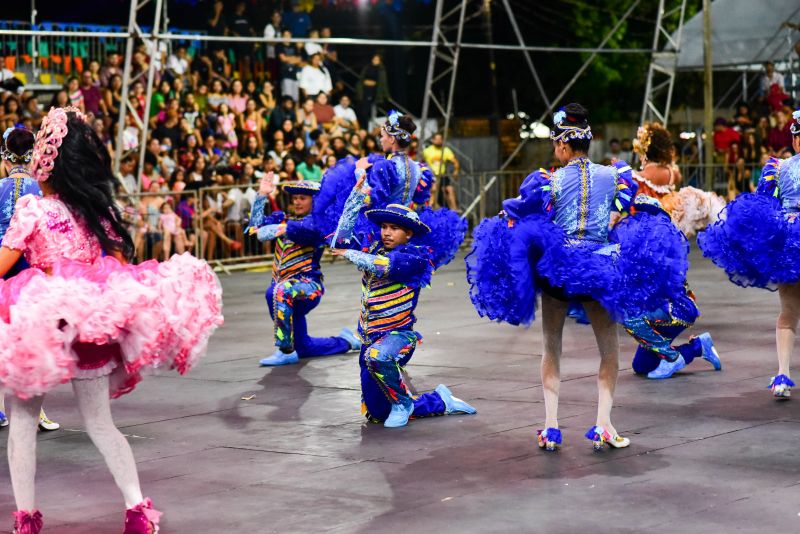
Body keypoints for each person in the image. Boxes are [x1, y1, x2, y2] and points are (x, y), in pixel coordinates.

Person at [0, 107, 222, 533]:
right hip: (87, 321)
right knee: (99, 423)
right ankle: (137, 510)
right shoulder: (94, 212)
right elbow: (118, 264)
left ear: (45, 163)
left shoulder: (31, 209)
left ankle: (26, 520)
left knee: (24, 423)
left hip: (37, 320)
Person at [466, 104, 688, 451]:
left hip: (559, 268)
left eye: (557, 143)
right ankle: (603, 424)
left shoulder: (549, 180)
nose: (556, 148)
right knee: (608, 348)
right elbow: (634, 209)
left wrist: (503, 219)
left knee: (551, 345)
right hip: (601, 267)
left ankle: (551, 427)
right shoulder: (616, 176)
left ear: (565, 146)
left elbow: (519, 209)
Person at [331, 191, 476, 427]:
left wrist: (350, 253)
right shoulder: (375, 248)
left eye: (394, 228)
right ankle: (440, 401)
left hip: (397, 337)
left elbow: (384, 267)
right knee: (377, 413)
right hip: (370, 338)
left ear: (408, 233)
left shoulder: (416, 257)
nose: (387, 232)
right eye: (384, 226)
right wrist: (355, 197)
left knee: (377, 356)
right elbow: (340, 242)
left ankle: (403, 404)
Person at [698, 109, 800, 399]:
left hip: (789, 240)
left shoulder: (777, 168)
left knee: (789, 312)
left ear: (794, 140)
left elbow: (764, 208)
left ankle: (783, 375)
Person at [248, 175, 360, 366]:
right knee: (305, 347)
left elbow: (302, 230)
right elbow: (254, 229)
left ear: (314, 200)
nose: (297, 202)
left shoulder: (318, 224)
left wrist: (279, 229)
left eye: (303, 198)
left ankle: (285, 350)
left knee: (277, 291)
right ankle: (347, 341)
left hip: (308, 287)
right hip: (283, 288)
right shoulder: (284, 218)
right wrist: (261, 196)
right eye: (295, 198)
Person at [620, 195, 722, 379]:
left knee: (629, 316)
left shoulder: (661, 244)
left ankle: (672, 357)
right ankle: (698, 346)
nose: (641, 220)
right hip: (660, 310)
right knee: (641, 366)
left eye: (647, 215)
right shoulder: (641, 244)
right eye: (640, 214)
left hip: (676, 309)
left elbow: (655, 287)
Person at [0, 127, 60, 433]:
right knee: (31, 342)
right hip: (28, 270)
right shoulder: (40, 188)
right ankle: (35, 412)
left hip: (1, 265)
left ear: (5, 156)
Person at [632, 123, 725, 237]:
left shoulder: (641, 175)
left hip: (651, 220)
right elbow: (678, 178)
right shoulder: (671, 171)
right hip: (672, 217)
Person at [423, 132, 460, 211]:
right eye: (437, 139)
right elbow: (420, 161)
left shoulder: (446, 150)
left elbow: (455, 162)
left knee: (450, 189)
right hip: (432, 176)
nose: (439, 141)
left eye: (440, 139)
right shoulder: (427, 151)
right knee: (434, 188)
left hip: (442, 176)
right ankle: (432, 207)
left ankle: (454, 209)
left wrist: (456, 171)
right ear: (433, 140)